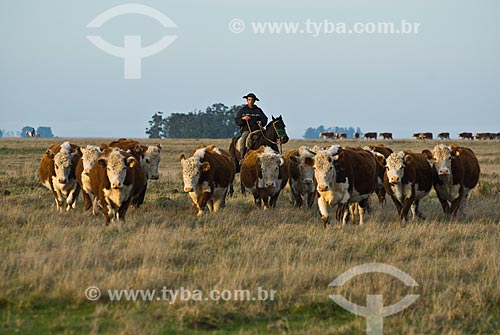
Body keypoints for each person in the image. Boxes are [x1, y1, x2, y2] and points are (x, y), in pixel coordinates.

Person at [235, 93, 268, 162]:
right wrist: (243, 118)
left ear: (254, 101)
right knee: (244, 138)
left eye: (252, 100)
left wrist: (261, 122)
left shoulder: (258, 110)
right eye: (249, 100)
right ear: (247, 101)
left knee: (267, 137)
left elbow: (265, 118)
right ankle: (242, 157)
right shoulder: (243, 110)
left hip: (257, 130)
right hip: (247, 130)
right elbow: (237, 121)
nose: (250, 101)